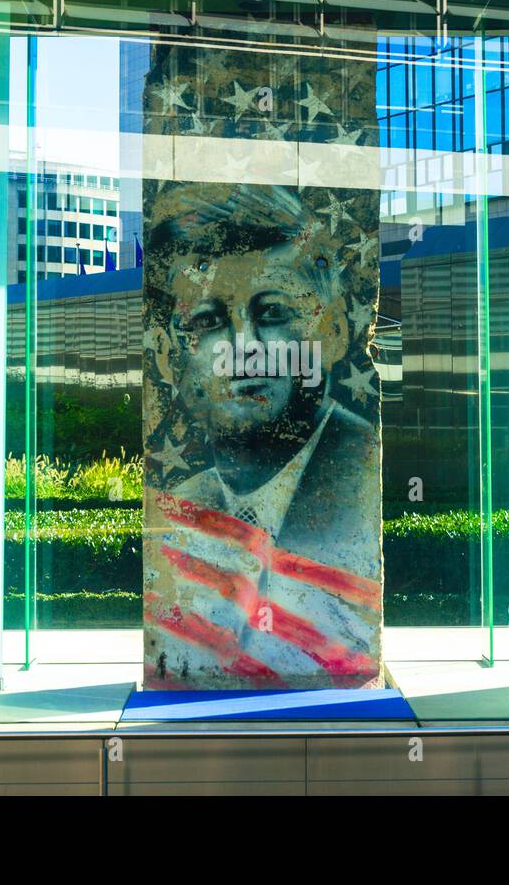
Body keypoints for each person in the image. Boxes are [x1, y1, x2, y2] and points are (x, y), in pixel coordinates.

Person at [144, 183, 382, 690]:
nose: (245, 348)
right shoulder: (183, 513)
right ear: (168, 354)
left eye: (272, 313)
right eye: (207, 322)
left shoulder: (360, 486)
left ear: (334, 329)